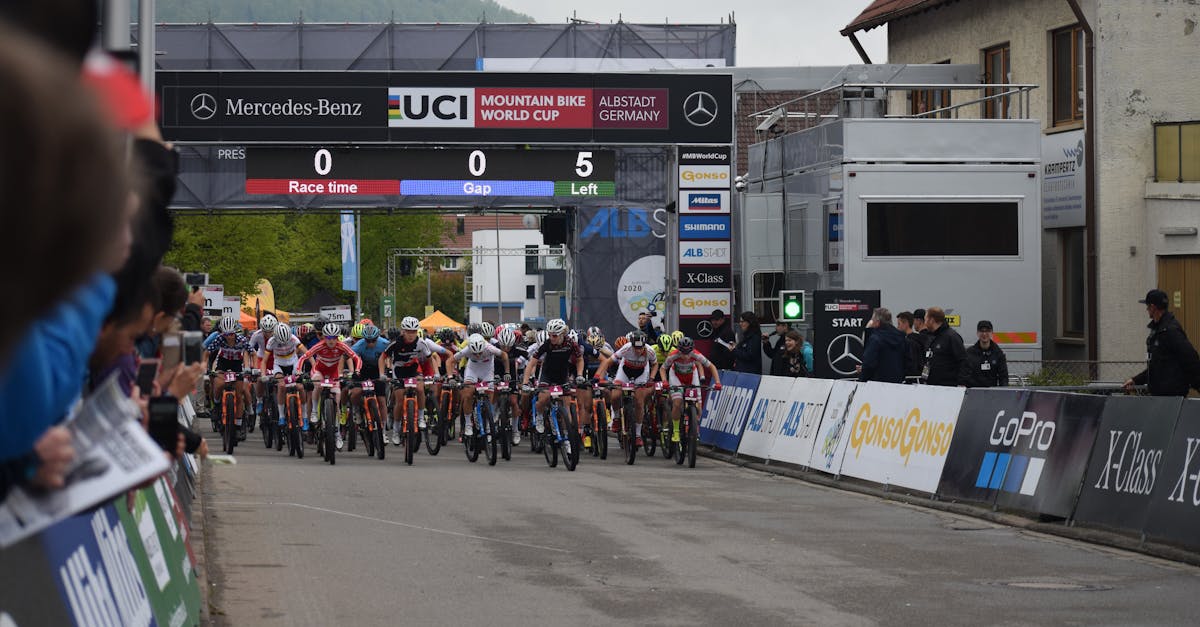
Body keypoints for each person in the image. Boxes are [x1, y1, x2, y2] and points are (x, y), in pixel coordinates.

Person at [1124, 289, 1200, 396]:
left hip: (1172, 396)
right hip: (1160, 396)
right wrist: (1136, 380)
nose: (1147, 310)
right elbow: (1156, 367)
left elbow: (1190, 358)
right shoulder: (1158, 331)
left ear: (1153, 307)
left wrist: (1198, 384)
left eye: (1147, 307)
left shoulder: (1170, 331)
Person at [522, 318, 587, 435]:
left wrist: (579, 375)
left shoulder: (571, 343)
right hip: (547, 374)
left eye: (554, 336)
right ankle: (539, 416)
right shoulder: (547, 344)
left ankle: (566, 435)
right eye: (549, 335)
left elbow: (579, 359)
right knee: (544, 398)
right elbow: (532, 363)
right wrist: (525, 383)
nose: (551, 338)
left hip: (562, 375)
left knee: (566, 407)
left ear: (562, 334)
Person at [594, 331, 659, 446]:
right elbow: (608, 362)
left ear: (644, 345)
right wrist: (599, 377)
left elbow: (655, 364)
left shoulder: (650, 351)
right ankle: (616, 418)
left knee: (639, 402)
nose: (638, 351)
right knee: (615, 396)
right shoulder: (626, 348)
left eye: (640, 348)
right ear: (631, 345)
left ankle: (638, 434)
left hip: (641, 373)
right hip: (625, 371)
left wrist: (652, 378)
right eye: (635, 348)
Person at [659, 337, 722, 443]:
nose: (685, 356)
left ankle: (695, 429)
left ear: (692, 350)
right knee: (677, 403)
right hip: (676, 376)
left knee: (699, 406)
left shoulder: (696, 354)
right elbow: (662, 368)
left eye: (688, 353)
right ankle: (676, 431)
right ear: (678, 350)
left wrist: (718, 382)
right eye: (682, 353)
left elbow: (711, 366)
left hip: (692, 376)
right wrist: (664, 381)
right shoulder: (673, 355)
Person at [858, 308, 908, 384]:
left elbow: (868, 363)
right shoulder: (902, 338)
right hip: (897, 383)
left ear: (878, 322)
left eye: (873, 321)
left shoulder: (875, 338)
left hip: (877, 384)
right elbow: (907, 362)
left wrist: (862, 379)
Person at [924, 307, 966, 386]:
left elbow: (963, 361)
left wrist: (961, 383)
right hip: (931, 386)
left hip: (948, 386)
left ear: (931, 320)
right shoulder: (930, 337)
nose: (924, 323)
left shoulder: (952, 337)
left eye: (925, 319)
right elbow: (928, 361)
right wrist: (924, 379)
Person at [959, 320, 1008, 387]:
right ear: (977, 333)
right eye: (982, 331)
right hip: (974, 391)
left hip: (991, 391)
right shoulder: (969, 353)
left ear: (992, 333)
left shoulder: (998, 353)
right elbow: (963, 374)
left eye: (987, 331)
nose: (984, 334)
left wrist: (1003, 390)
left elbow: (1003, 376)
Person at [897, 311, 928, 381]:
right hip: (921, 378)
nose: (897, 327)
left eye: (899, 324)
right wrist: (925, 378)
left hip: (911, 379)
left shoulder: (909, 342)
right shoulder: (922, 339)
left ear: (906, 324)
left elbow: (911, 364)